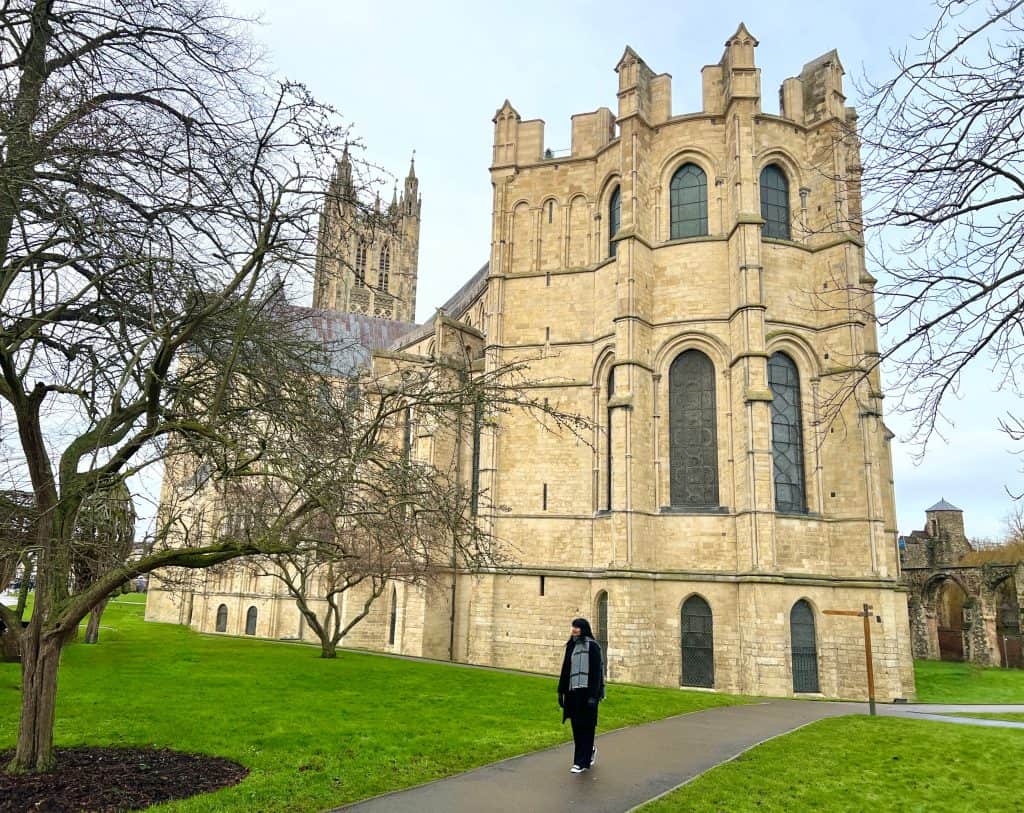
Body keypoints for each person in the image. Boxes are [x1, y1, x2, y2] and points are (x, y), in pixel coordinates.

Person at [557, 617, 605, 773]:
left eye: (577, 627)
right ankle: (586, 752)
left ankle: (581, 762)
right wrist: (561, 691)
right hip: (573, 692)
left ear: (584, 629)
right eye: (573, 627)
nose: (574, 629)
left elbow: (597, 673)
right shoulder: (571, 645)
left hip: (587, 693)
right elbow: (566, 669)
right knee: (577, 726)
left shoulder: (593, 647)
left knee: (587, 726)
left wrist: (593, 696)